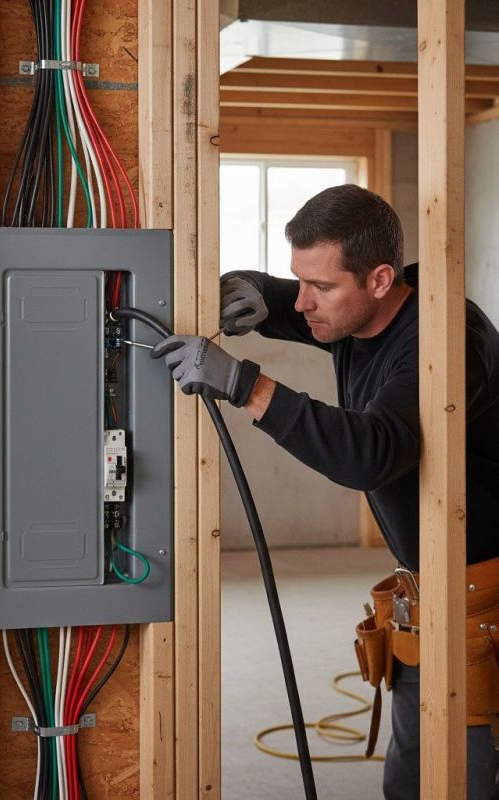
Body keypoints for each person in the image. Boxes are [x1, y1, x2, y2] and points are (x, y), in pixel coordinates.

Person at [151, 184, 499, 799]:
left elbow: (373, 452)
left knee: (469, 781)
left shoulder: (441, 339)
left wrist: (247, 386)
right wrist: (248, 286)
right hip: (427, 594)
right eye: (297, 280)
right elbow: (288, 299)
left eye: (321, 287)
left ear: (380, 279)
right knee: (412, 781)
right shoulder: (355, 308)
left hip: (484, 604)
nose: (302, 303)